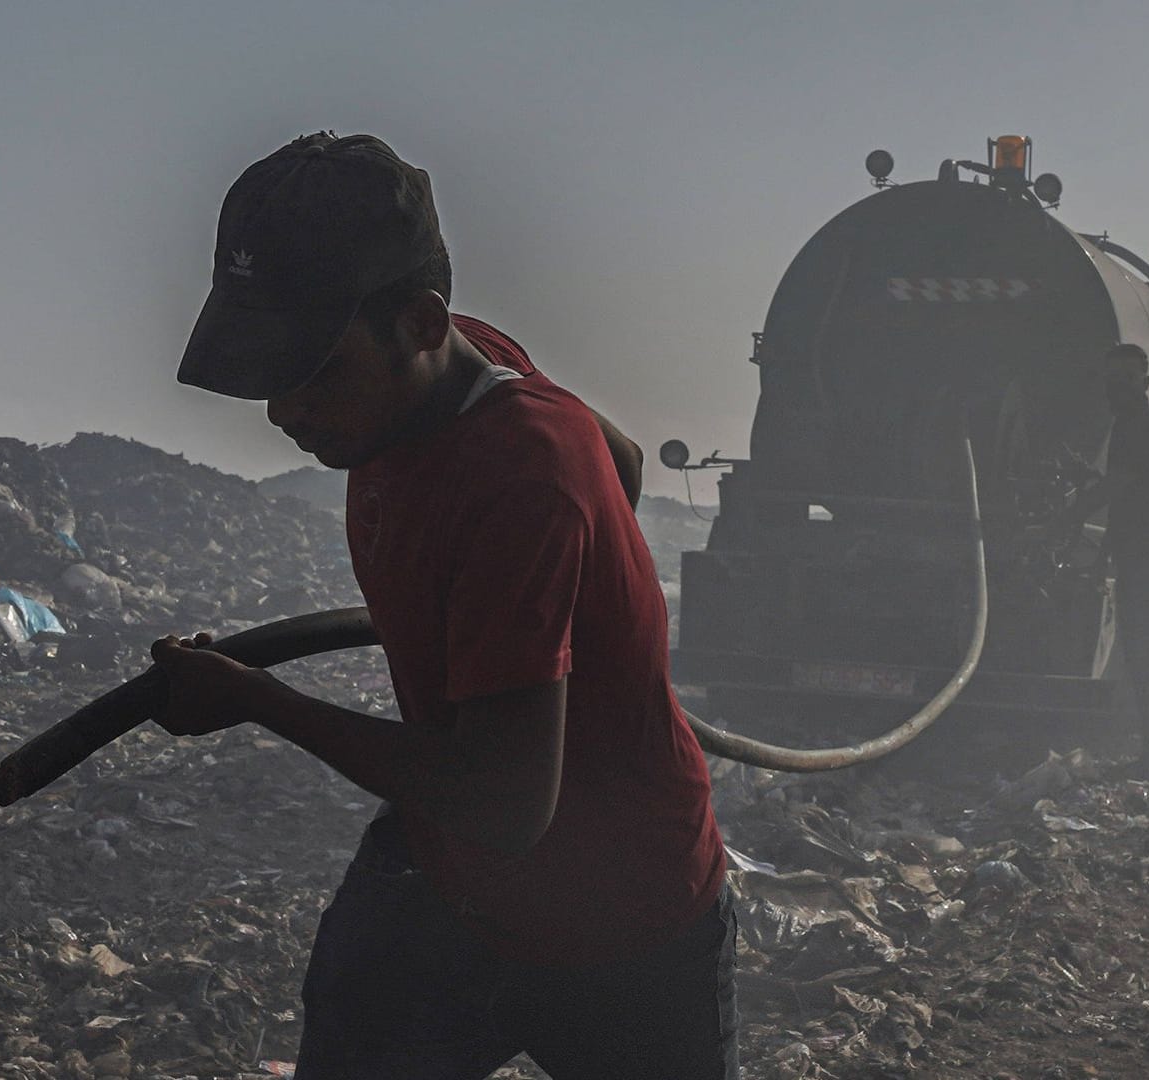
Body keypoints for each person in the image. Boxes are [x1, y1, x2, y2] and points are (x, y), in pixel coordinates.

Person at [151, 132, 736, 1079]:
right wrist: (502, 612)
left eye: (316, 370)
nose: (284, 412)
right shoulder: (463, 365)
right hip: (448, 884)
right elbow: (619, 462)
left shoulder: (520, 479)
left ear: (421, 325)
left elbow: (507, 804)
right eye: (270, 370)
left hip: (621, 917)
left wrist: (254, 701)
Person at [1070, 343, 1149, 781]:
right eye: (1111, 378)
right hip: (1141, 560)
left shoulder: (1141, 428)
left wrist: (1069, 514)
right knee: (1143, 661)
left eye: (1125, 379)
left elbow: (1116, 490)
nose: (1115, 387)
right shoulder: (1131, 425)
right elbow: (1124, 502)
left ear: (1144, 384)